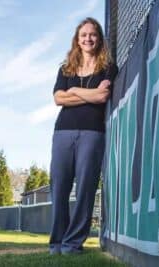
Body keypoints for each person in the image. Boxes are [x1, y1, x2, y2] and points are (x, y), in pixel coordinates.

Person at [49, 17, 118, 255]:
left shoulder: (107, 67)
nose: (88, 38)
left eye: (93, 34)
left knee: (85, 188)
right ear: (77, 40)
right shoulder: (65, 68)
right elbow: (58, 98)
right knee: (59, 187)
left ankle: (72, 244)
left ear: (98, 38)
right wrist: (88, 92)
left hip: (92, 132)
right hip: (63, 132)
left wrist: (75, 90)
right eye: (83, 35)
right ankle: (57, 243)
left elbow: (101, 98)